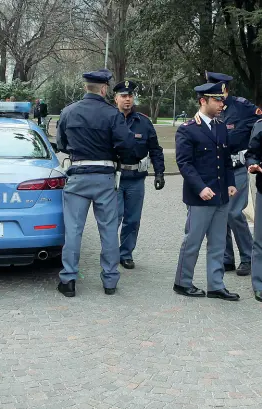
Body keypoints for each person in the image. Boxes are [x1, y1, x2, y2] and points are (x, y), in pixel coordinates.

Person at [56, 69, 136, 297]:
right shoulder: (112, 114)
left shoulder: (68, 112)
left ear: (85, 88)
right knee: (109, 230)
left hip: (78, 175)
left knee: (73, 230)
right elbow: (127, 146)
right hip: (104, 176)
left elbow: (61, 143)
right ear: (104, 89)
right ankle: (110, 281)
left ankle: (69, 279)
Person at [174, 81, 239, 301]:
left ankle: (216, 285)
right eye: (217, 100)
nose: (222, 103)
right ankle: (182, 282)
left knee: (218, 243)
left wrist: (230, 182)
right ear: (203, 101)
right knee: (192, 241)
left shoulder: (221, 126)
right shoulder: (188, 129)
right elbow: (184, 164)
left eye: (222, 99)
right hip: (200, 197)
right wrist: (200, 188)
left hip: (220, 195)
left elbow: (226, 160)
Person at [206, 71, 262, 276]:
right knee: (220, 214)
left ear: (225, 89)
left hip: (237, 167)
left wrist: (254, 152)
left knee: (234, 212)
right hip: (215, 168)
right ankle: (226, 258)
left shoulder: (242, 107)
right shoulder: (208, 108)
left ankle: (247, 257)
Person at [112, 80, 165, 269]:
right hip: (115, 178)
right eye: (124, 96)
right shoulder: (109, 118)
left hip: (136, 179)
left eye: (130, 96)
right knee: (114, 218)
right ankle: (110, 254)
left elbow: (155, 149)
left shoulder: (143, 122)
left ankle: (126, 253)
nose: (128, 99)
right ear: (116, 98)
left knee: (132, 219)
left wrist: (160, 173)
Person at [245, 119, 262, 302]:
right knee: (260, 240)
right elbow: (252, 154)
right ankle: (259, 284)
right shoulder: (260, 126)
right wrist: (253, 164)